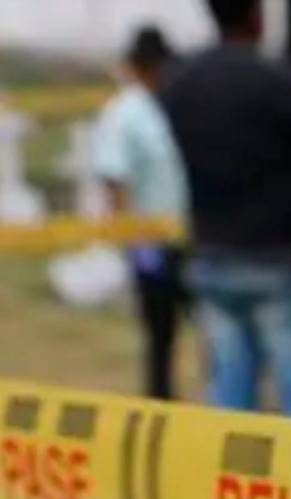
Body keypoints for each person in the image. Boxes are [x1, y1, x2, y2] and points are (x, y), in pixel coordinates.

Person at [161, 0, 291, 420]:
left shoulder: (180, 81)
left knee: (229, 389)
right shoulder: (281, 80)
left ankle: (230, 481)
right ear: (258, 15)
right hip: (281, 256)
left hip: (211, 251)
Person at [94, 25, 189, 401]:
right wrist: (133, 242)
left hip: (191, 235)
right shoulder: (124, 114)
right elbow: (115, 180)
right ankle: (161, 405)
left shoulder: (176, 104)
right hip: (152, 242)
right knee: (161, 337)